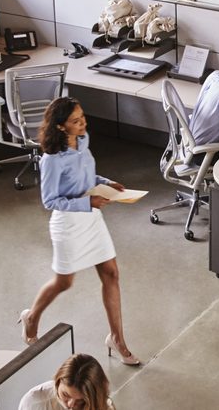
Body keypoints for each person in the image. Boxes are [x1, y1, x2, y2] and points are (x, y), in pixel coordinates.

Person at [18, 97, 140, 366]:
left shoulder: (82, 141)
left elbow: (86, 177)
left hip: (92, 218)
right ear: (61, 126)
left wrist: (107, 183)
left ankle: (117, 339)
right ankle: (32, 316)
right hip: (69, 223)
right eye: (76, 121)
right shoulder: (52, 160)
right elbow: (50, 200)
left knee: (111, 274)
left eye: (82, 116)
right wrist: (87, 202)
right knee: (64, 282)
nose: (83, 123)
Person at [19, 353, 114, 410]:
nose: (70, 405)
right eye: (65, 395)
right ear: (58, 381)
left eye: (80, 400)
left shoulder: (101, 404)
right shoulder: (35, 403)